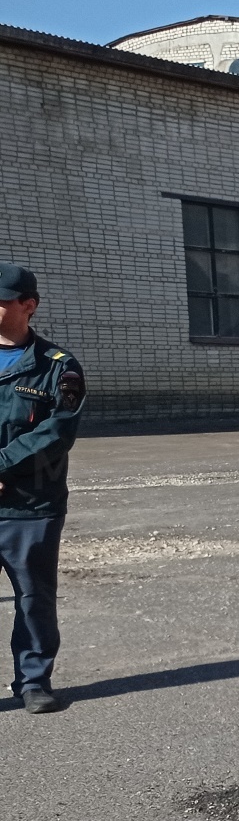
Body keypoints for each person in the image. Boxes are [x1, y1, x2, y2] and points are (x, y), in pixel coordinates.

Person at [0, 264, 85, 715]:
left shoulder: (58, 367)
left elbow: (59, 430)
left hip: (31, 505)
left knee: (33, 599)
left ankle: (33, 681)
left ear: (27, 306)